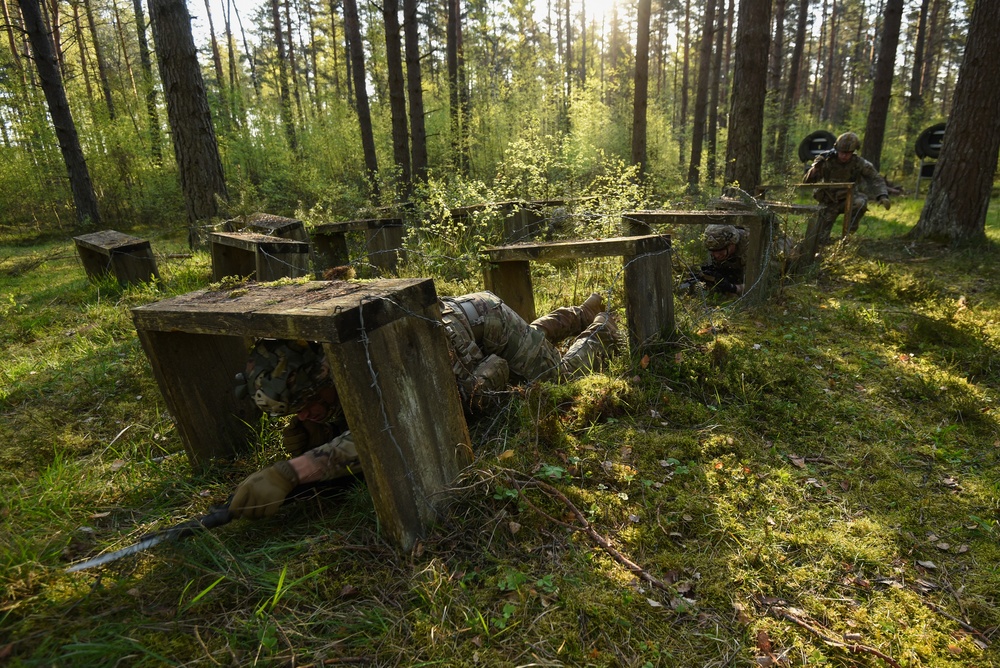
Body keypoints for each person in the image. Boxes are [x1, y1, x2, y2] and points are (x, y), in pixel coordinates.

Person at [228, 291, 618, 519]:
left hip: (485, 320)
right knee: (528, 341)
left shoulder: (375, 366)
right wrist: (316, 430)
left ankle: (602, 324)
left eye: (310, 403)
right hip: (466, 328)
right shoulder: (337, 361)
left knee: (558, 378)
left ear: (323, 378)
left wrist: (293, 471)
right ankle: (577, 313)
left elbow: (382, 430)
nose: (306, 415)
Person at [803, 131, 891, 244]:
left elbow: (875, 178)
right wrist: (815, 169)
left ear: (853, 152)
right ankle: (825, 246)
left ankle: (848, 237)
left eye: (848, 153)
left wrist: (882, 195)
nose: (844, 156)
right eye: (842, 152)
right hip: (828, 201)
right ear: (837, 150)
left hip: (848, 199)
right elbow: (806, 182)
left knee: (860, 203)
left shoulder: (859, 163)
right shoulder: (826, 160)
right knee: (819, 238)